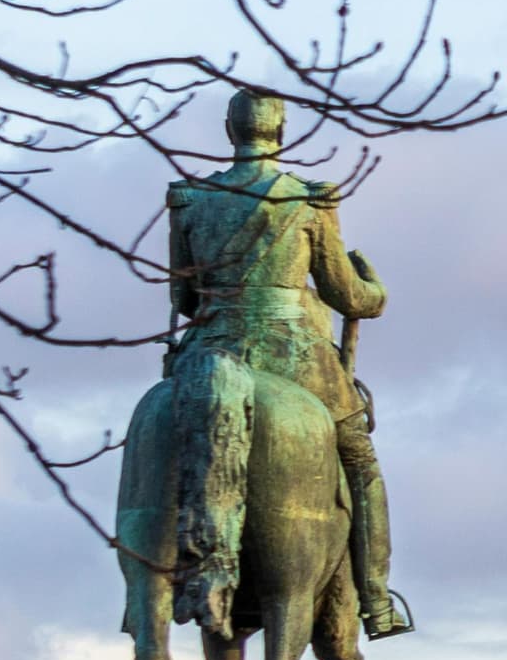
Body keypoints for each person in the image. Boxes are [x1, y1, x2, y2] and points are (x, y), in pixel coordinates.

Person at [165, 90, 392, 631]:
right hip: (296, 360)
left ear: (230, 130)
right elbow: (348, 298)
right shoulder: (308, 201)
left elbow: (185, 301)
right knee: (359, 461)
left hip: (210, 348)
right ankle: (377, 600)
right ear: (281, 132)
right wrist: (375, 288)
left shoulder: (191, 199)